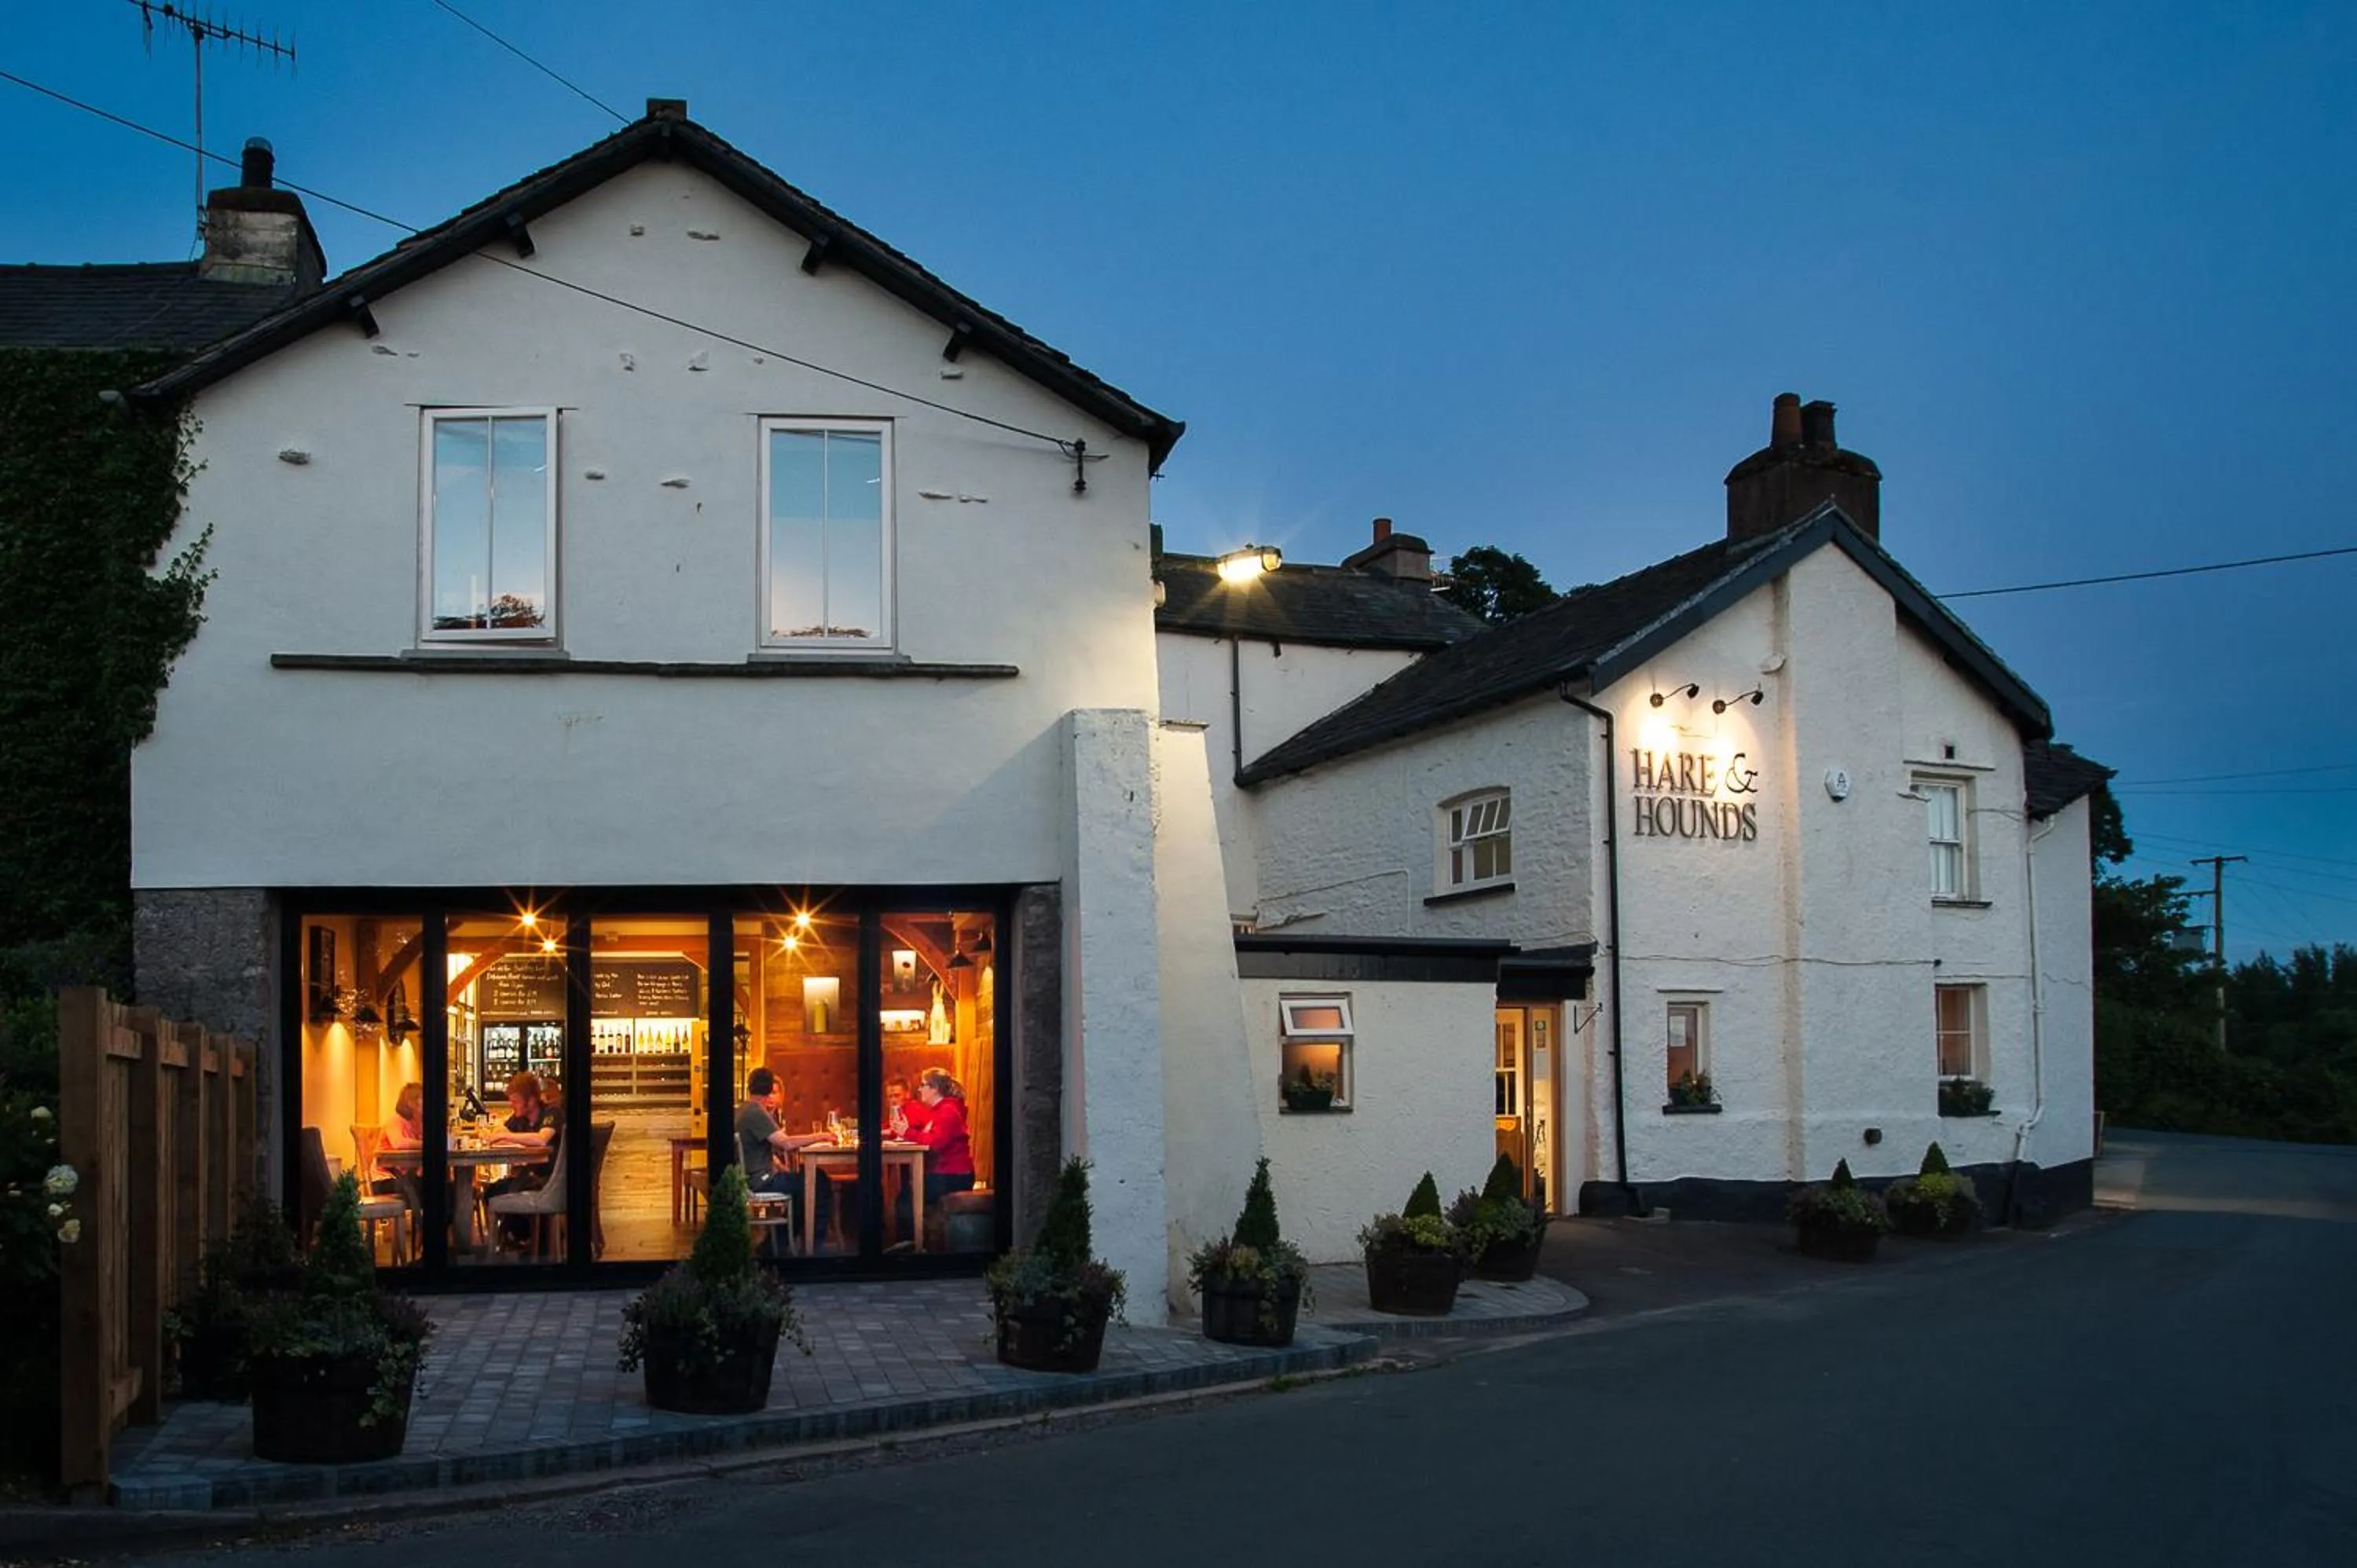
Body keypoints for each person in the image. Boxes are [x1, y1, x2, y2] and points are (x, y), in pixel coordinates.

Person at [735, 1068, 835, 1254]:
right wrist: (821, 1136)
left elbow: (758, 1149)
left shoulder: (743, 1109)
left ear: (750, 1087)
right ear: (767, 1091)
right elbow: (786, 1143)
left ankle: (775, 1247)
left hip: (751, 1179)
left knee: (803, 1187)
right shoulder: (757, 1112)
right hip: (762, 1183)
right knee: (819, 1181)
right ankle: (815, 1249)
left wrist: (780, 1166)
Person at [485, 1072, 559, 1244]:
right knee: (493, 1191)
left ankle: (528, 1240)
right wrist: (498, 1132)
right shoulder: (520, 1118)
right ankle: (516, 1239)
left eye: (516, 1101)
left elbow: (541, 1139)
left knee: (511, 1190)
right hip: (530, 1177)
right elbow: (499, 1131)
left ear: (531, 1101)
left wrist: (508, 1137)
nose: (512, 1105)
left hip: (550, 1181)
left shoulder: (552, 1112)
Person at [896, 1067, 976, 1217]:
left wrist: (907, 1132)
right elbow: (929, 1136)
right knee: (907, 1192)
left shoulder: (948, 1112)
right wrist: (906, 1132)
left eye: (923, 1085)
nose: (919, 1090)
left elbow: (934, 1142)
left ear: (934, 1089)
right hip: (948, 1173)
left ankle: (912, 1239)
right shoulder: (940, 1110)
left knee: (905, 1199)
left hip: (954, 1175)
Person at [373, 1082, 423, 1195]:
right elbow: (398, 1143)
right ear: (411, 1103)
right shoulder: (396, 1121)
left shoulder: (418, 1124)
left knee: (444, 1187)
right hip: (386, 1178)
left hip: (405, 1177)